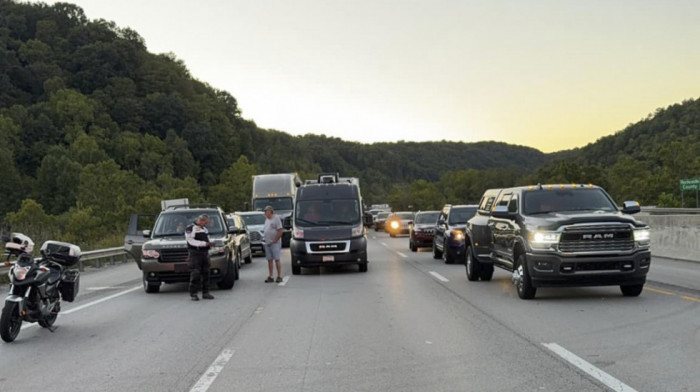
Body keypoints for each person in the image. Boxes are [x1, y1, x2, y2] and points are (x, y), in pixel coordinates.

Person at [185, 214, 215, 300]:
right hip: (195, 253)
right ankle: (193, 294)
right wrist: (204, 244)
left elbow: (207, 240)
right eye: (205, 222)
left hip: (204, 253)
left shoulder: (204, 229)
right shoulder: (190, 228)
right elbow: (190, 241)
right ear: (201, 220)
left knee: (206, 272)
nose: (206, 224)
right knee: (195, 273)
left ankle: (206, 292)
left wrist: (210, 243)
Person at [263, 205, 284, 283]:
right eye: (265, 212)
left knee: (277, 259)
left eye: (266, 212)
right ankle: (271, 276)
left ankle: (279, 276)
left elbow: (280, 230)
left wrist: (276, 239)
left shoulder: (276, 218)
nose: (265, 213)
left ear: (270, 212)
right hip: (268, 242)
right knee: (269, 260)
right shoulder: (267, 220)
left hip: (275, 242)